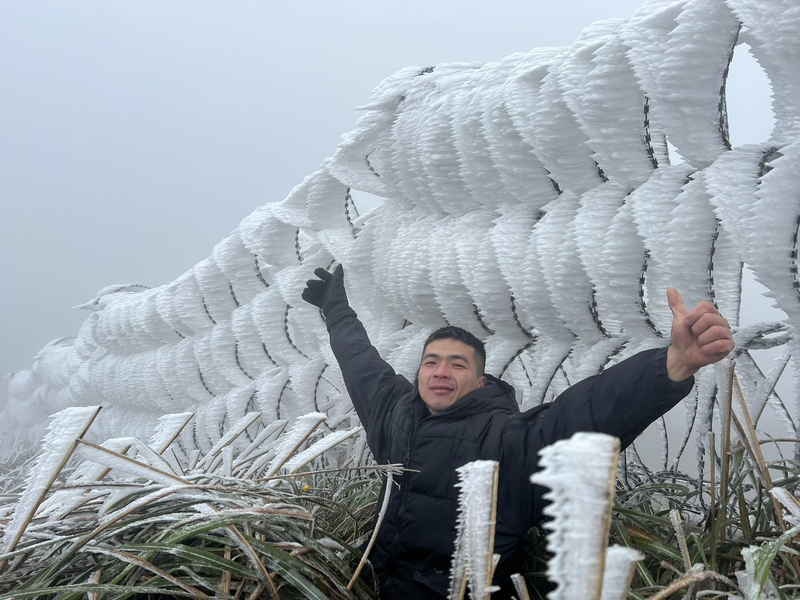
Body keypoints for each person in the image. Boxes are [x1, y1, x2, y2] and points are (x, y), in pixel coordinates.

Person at [302, 265, 734, 599]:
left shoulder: (506, 438)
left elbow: (583, 414)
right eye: (431, 361)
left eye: (458, 364)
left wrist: (672, 365)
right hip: (375, 583)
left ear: (481, 380)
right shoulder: (396, 412)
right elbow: (361, 364)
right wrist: (335, 309)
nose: (440, 372)